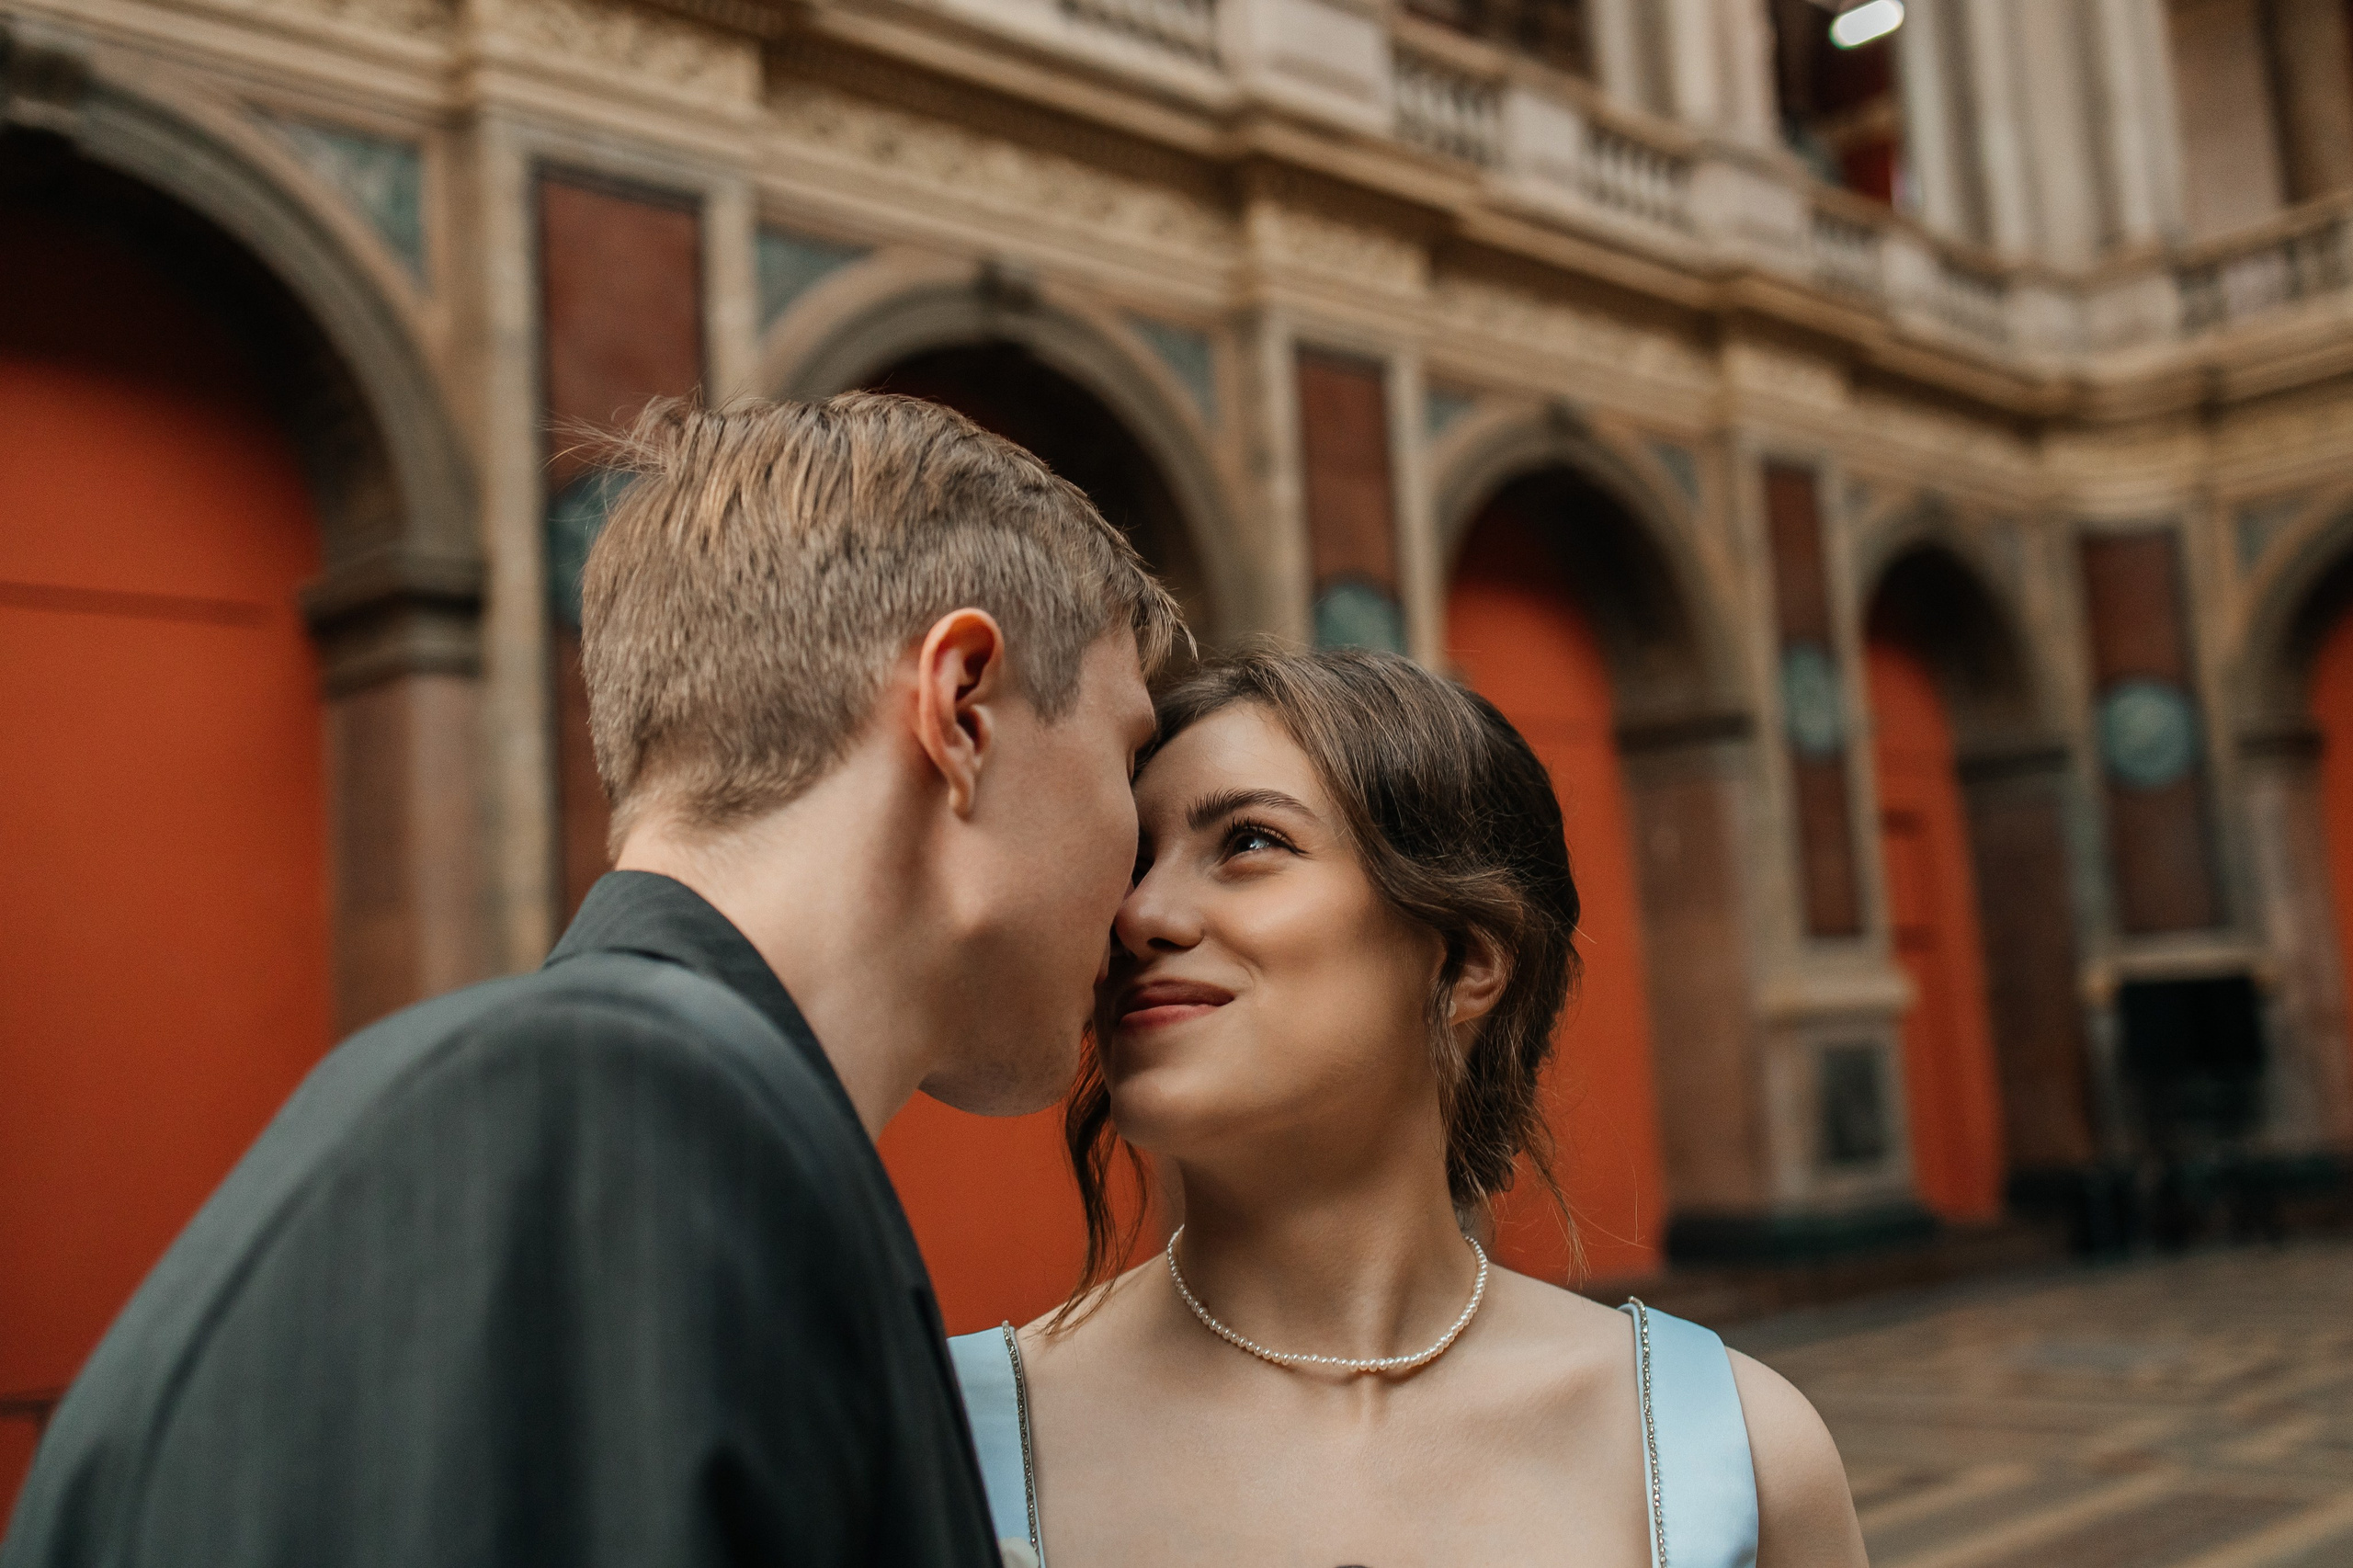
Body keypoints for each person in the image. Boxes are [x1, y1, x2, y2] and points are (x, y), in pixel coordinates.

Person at [2, 393, 1181, 1568]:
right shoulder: (620, 1115)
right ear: (962, 707)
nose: (1140, 886)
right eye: (1128, 757)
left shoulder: (586, 1110)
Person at [949, 648, 1868, 1568]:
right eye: (1131, 859)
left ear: (1466, 958)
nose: (1139, 912)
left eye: (1249, 841)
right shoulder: (950, 1436)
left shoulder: (1729, 1452)